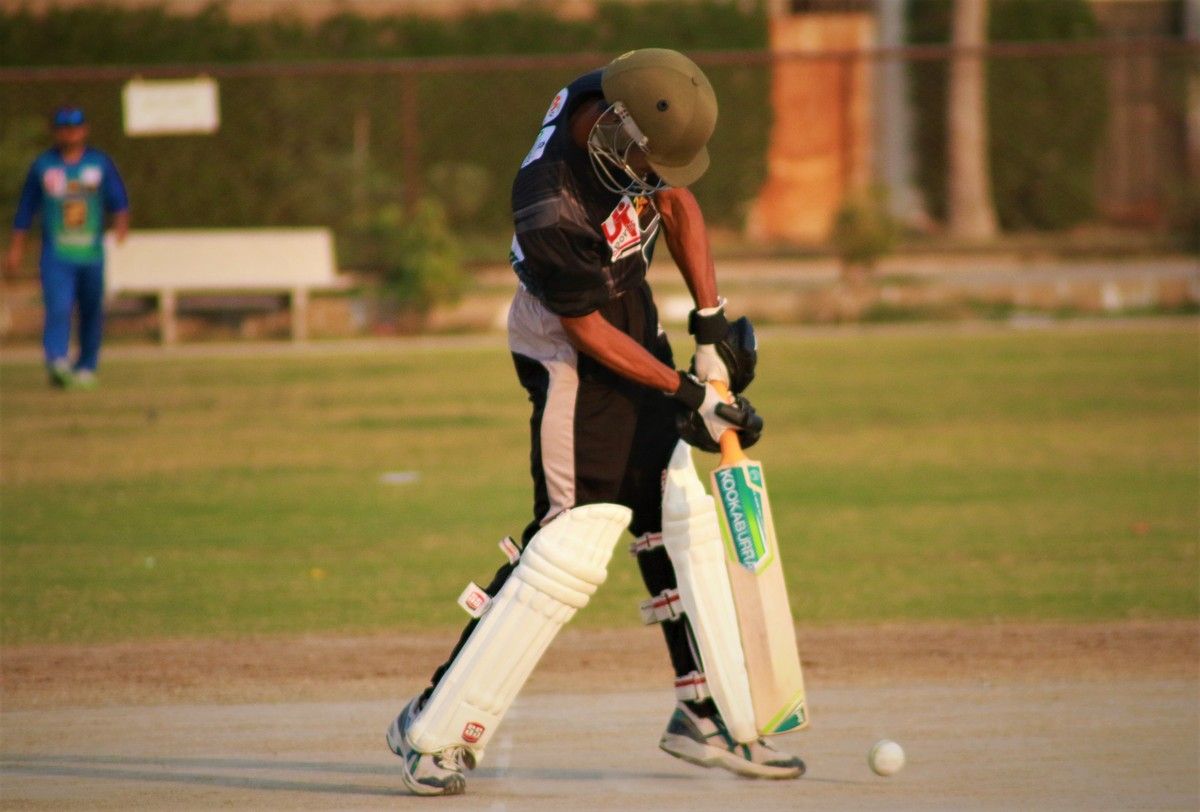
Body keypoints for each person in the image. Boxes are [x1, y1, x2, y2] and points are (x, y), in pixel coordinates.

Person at [386, 49, 805, 796]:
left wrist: (710, 326)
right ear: (613, 128)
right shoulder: (548, 200)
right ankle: (433, 729)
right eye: (645, 163)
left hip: (632, 318)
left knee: (675, 512)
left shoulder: (627, 98)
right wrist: (688, 394)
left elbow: (676, 201)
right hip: (569, 351)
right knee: (573, 540)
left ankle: (706, 713)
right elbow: (583, 330)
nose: (652, 178)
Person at [5, 106, 129, 389]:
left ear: (84, 130)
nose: (70, 134)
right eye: (64, 128)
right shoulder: (44, 165)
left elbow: (119, 200)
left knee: (91, 309)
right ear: (56, 132)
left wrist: (121, 225)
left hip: (91, 253)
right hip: (57, 254)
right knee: (58, 306)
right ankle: (57, 360)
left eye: (74, 128)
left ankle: (86, 365)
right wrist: (16, 248)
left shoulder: (98, 163)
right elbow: (26, 209)